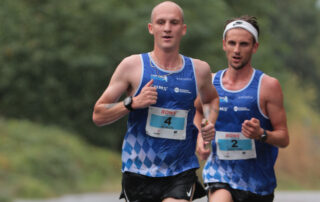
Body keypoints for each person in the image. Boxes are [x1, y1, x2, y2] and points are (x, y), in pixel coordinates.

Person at [92, 1, 219, 201]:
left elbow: (211, 99)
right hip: (139, 170)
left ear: (183, 29)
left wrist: (208, 123)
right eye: (161, 22)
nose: (167, 28)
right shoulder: (132, 66)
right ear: (151, 28)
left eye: (174, 22)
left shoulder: (199, 70)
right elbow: (98, 114)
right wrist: (132, 103)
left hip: (180, 170)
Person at [195, 15, 289, 202]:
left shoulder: (268, 86)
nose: (236, 50)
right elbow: (196, 111)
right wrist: (200, 135)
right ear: (224, 44)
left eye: (244, 44)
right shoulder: (211, 82)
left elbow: (284, 138)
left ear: (255, 47)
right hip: (219, 173)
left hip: (257, 182)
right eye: (232, 43)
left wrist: (261, 134)